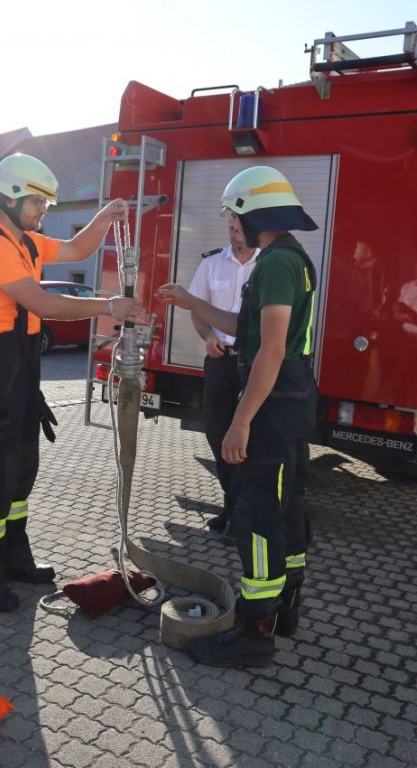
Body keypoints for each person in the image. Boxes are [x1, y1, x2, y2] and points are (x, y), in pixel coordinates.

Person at [0, 153, 143, 612]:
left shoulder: (28, 242)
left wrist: (105, 215)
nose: (44, 212)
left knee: (22, 470)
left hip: (18, 371)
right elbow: (45, 304)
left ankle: (14, 557)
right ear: (13, 196)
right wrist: (108, 306)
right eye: (39, 203)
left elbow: (79, 250)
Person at [159, 165, 318, 668]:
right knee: (288, 509)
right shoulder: (290, 257)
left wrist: (241, 419)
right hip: (292, 399)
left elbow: (268, 350)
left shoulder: (273, 264)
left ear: (253, 212)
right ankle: (285, 611)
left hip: (271, 406)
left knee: (257, 516)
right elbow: (245, 329)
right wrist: (190, 301)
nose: (231, 221)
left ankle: (254, 634)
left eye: (234, 212)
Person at [188, 214, 257, 536]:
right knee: (218, 434)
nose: (234, 234)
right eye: (231, 228)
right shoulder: (211, 264)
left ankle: (242, 515)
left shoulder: (267, 265)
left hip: (253, 364)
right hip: (220, 361)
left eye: (239, 228)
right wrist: (208, 337)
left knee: (249, 439)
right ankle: (231, 506)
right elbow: (197, 310)